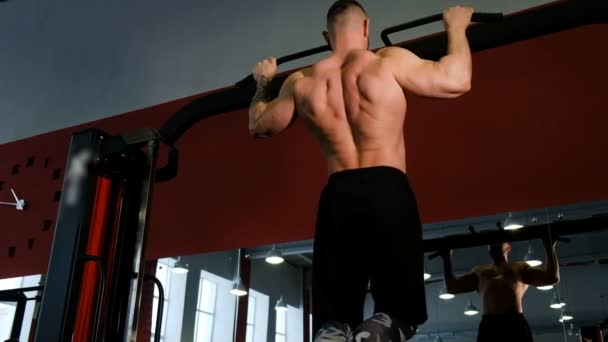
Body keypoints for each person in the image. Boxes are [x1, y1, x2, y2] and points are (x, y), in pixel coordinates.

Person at [248, 1, 474, 340]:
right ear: (366, 26)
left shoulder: (300, 82)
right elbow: (456, 80)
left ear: (327, 36)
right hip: (387, 188)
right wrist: (456, 27)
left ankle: (336, 330)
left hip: (337, 195)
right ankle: (383, 327)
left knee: (334, 320)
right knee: (398, 313)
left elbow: (259, 125)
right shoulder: (386, 62)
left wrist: (263, 82)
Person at [440, 237, 560, 342]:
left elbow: (552, 277)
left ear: (508, 246)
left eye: (497, 240)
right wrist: (446, 258)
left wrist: (550, 247)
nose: (493, 244)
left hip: (514, 325)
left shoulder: (519, 268)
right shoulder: (480, 271)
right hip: (490, 326)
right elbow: (452, 287)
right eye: (490, 242)